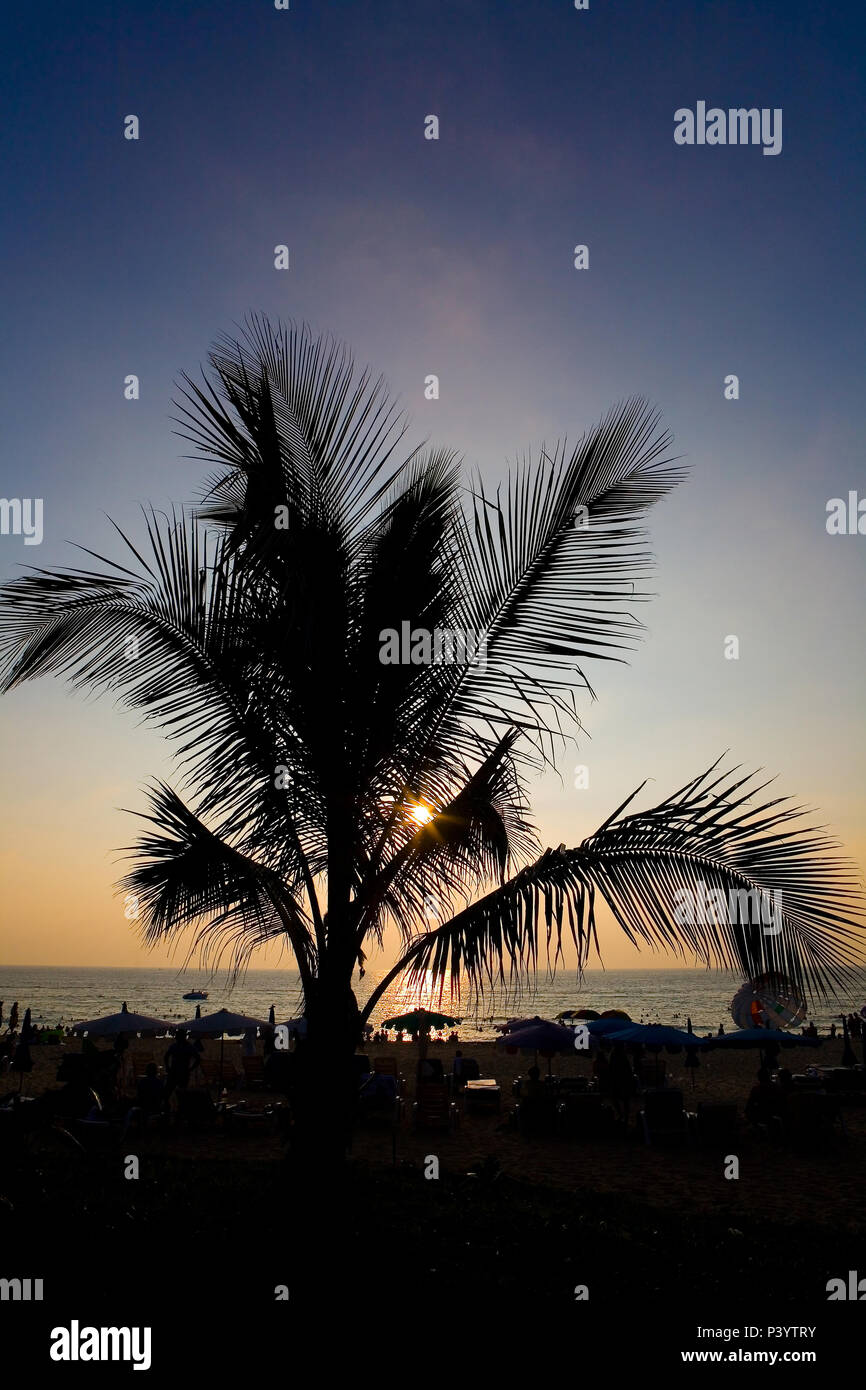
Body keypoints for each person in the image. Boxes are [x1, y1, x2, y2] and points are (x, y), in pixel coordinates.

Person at [163, 1028, 197, 1102]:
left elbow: (166, 1056)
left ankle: (168, 1107)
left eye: (177, 1036)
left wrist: (168, 1067)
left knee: (169, 1093)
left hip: (177, 1072)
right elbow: (198, 1058)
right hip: (181, 1073)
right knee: (180, 1094)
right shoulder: (189, 1047)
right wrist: (191, 1069)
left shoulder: (175, 1046)